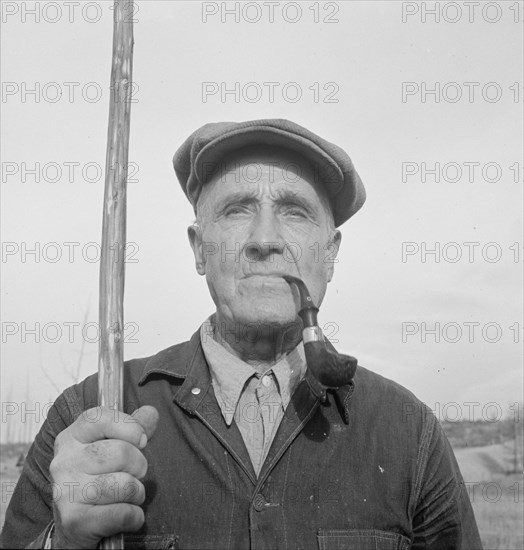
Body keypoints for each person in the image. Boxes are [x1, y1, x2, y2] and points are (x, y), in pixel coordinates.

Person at [1, 119, 482, 549]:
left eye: (294, 211)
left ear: (331, 254)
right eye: (236, 210)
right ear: (198, 249)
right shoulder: (94, 414)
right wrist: (63, 542)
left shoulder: (409, 431)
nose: (264, 240)